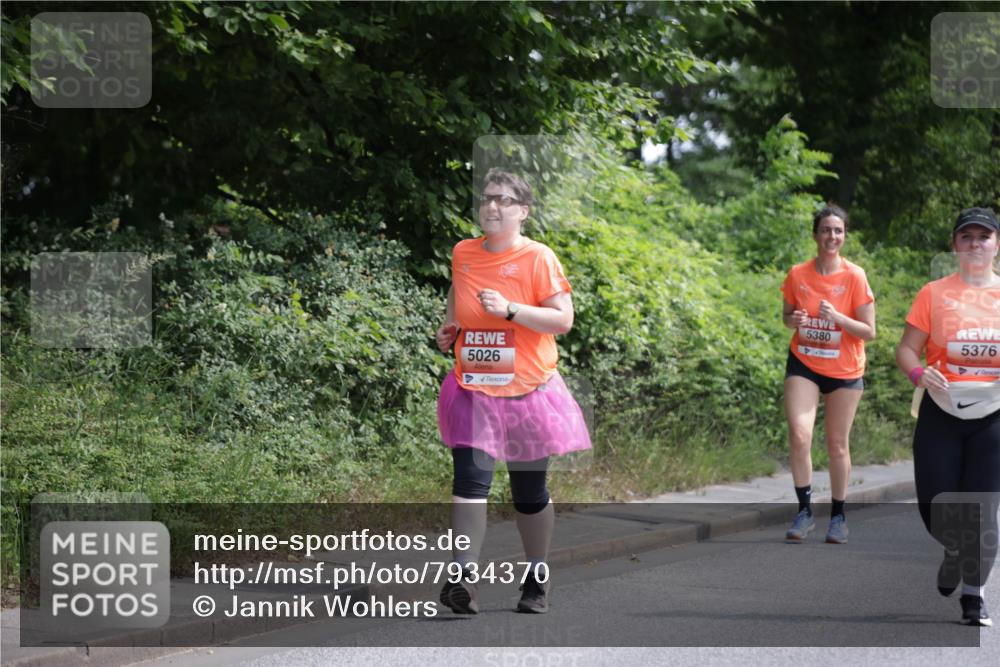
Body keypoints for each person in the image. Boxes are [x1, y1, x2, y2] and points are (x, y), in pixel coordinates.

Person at [434, 168, 591, 615]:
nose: (492, 206)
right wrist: (450, 330)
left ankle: (537, 577)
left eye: (503, 200)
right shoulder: (463, 252)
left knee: (528, 493)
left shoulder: (539, 257)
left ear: (523, 211)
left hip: (527, 391)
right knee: (469, 482)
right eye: (486, 198)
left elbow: (562, 320)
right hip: (475, 386)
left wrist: (510, 311)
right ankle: (464, 578)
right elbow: (457, 294)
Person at [896, 207, 1000, 627]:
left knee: (983, 512)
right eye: (967, 237)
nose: (975, 243)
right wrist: (919, 372)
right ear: (955, 245)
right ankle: (953, 550)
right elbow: (905, 350)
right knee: (934, 508)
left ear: (996, 244)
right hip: (941, 411)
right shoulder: (934, 293)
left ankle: (974, 599)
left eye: (984, 236)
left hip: (993, 415)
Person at [780, 205, 876, 544]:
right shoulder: (798, 274)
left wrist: (837, 317)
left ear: (844, 236)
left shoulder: (855, 276)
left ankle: (838, 516)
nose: (831, 236)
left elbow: (869, 331)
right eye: (825, 230)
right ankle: (804, 513)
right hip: (804, 362)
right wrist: (795, 321)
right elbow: (787, 315)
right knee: (799, 434)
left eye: (838, 230)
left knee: (836, 444)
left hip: (845, 370)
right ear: (815, 234)